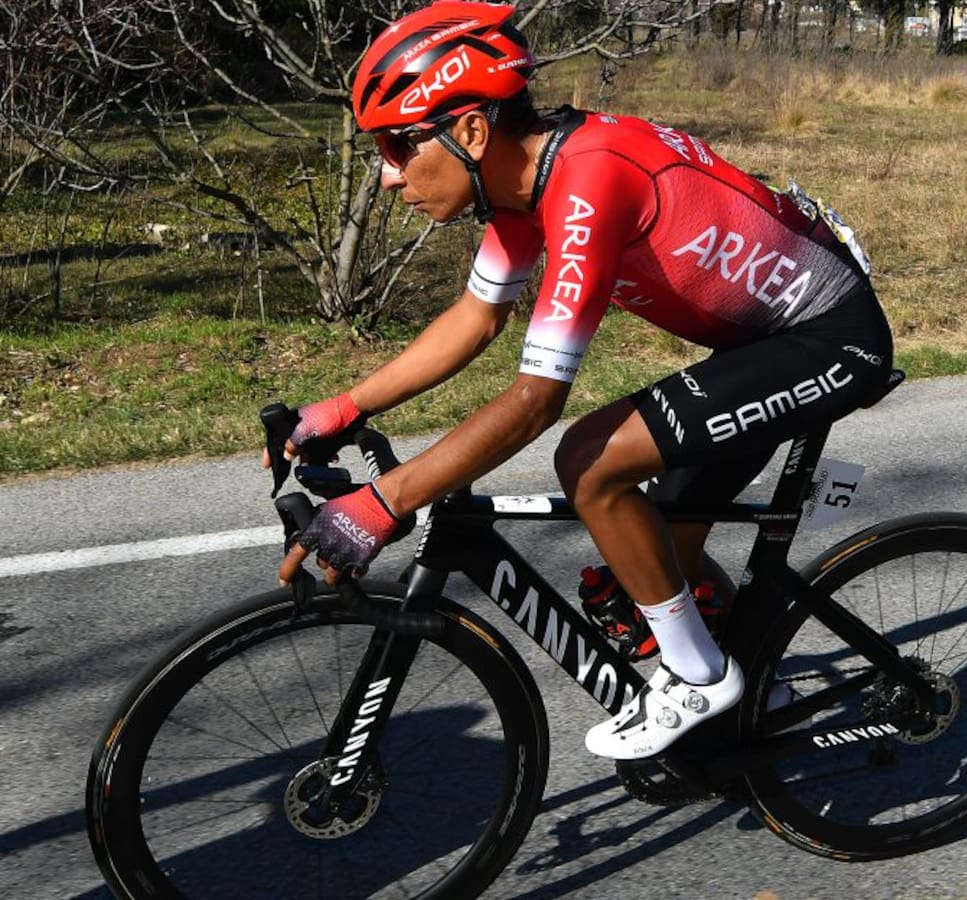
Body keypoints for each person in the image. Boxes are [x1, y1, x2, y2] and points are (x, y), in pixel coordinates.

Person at [274, 0, 893, 761]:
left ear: (470, 129)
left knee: (591, 462)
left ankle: (700, 677)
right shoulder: (521, 187)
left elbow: (537, 401)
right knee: (657, 553)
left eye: (399, 145)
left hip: (827, 339)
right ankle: (751, 699)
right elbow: (475, 319)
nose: (388, 174)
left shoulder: (591, 180)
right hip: (759, 344)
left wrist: (385, 503)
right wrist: (343, 407)